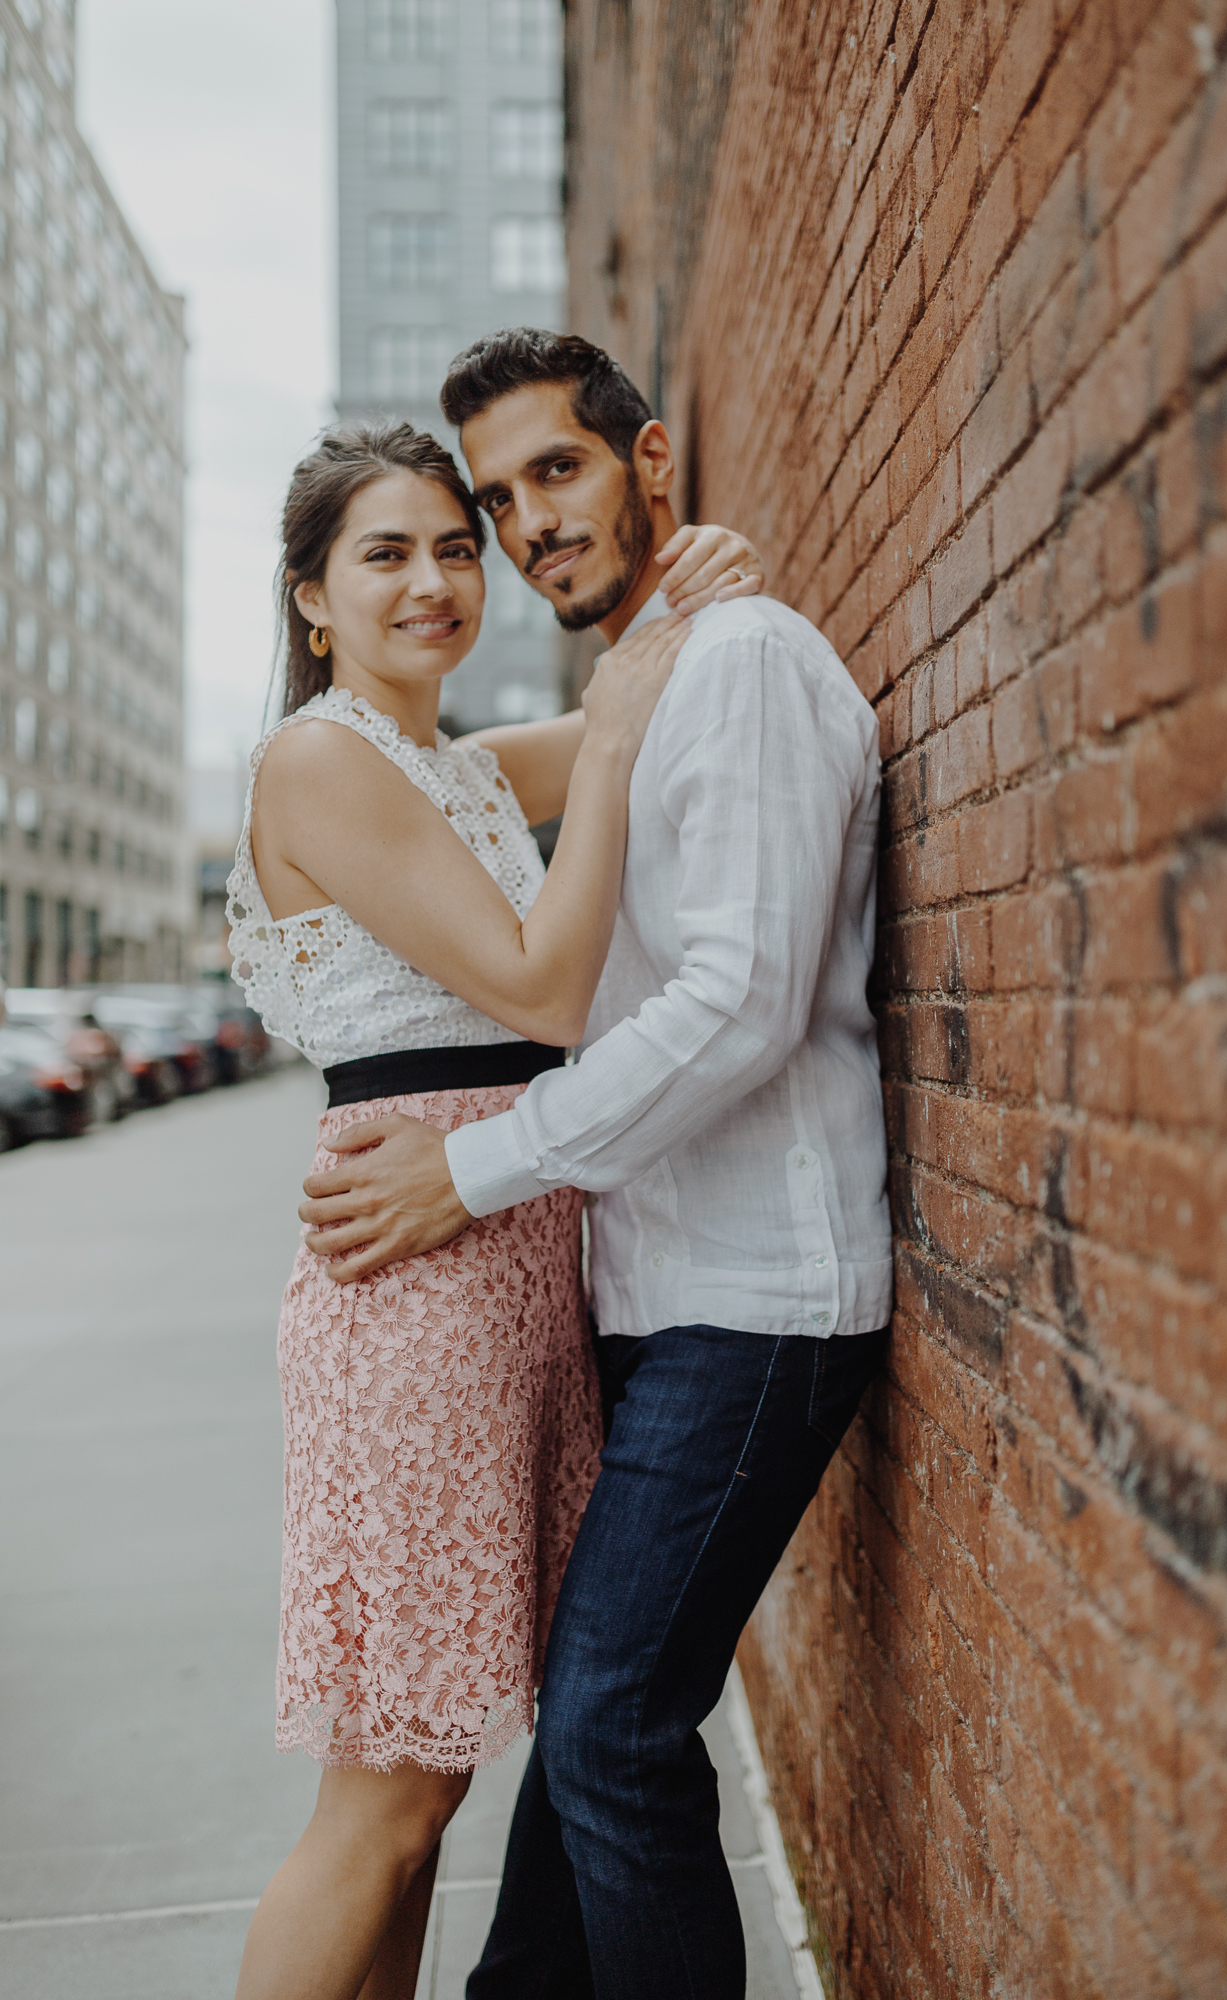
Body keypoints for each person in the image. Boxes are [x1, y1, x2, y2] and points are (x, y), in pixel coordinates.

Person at [298, 332, 894, 2000]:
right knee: (588, 1729)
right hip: (645, 1293)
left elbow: (741, 1005)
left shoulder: (749, 663)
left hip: (757, 1300)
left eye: (553, 472)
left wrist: (466, 1178)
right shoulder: (643, 678)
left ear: (647, 466)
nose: (520, 525)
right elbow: (471, 782)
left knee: (615, 1732)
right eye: (494, 499)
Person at [225, 415, 766, 2000]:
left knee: (426, 1780)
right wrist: (603, 738)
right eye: (384, 554)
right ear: (312, 597)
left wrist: (687, 586)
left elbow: (635, 705)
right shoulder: (322, 756)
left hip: (498, 1281)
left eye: (454, 548)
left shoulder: (439, 766)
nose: (435, 581)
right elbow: (543, 983)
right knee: (383, 1793)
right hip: (417, 1290)